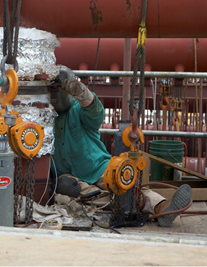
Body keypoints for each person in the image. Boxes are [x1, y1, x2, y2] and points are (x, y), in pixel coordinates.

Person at [50, 66, 192, 227]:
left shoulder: (78, 109)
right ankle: (120, 203)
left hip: (96, 166)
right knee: (69, 188)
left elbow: (95, 112)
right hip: (68, 176)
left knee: (123, 183)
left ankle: (160, 206)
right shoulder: (44, 117)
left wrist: (82, 92)